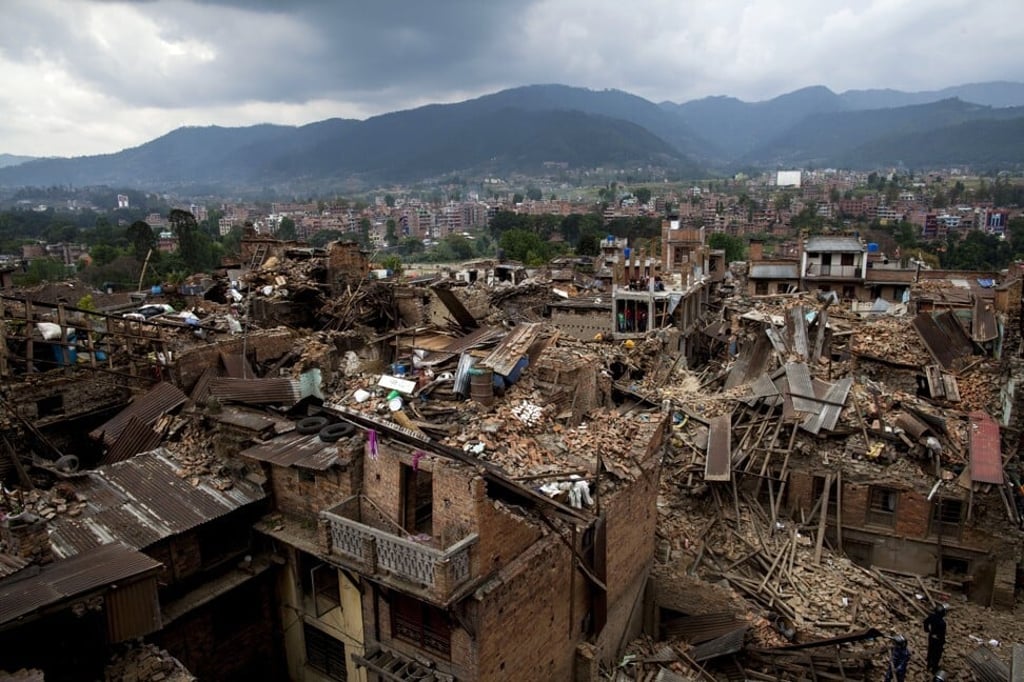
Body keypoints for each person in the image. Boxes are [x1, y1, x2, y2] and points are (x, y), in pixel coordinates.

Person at [923, 603, 948, 673]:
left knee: (930, 649)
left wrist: (927, 630)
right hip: (938, 639)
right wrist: (943, 641)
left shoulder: (932, 616)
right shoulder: (942, 623)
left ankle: (928, 664)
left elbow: (925, 622)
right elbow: (942, 634)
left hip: (931, 636)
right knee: (937, 654)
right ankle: (934, 668)